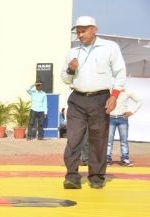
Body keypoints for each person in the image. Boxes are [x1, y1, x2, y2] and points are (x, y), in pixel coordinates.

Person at [60, 16, 126, 189]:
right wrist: (70, 69)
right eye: (78, 31)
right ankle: (72, 177)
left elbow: (120, 73)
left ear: (94, 29)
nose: (80, 34)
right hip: (77, 99)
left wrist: (114, 96)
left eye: (84, 30)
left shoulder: (109, 47)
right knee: (73, 139)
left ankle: (96, 177)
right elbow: (65, 79)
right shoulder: (73, 52)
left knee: (98, 139)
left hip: (100, 99)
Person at [106, 89, 142, 167]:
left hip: (122, 118)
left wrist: (132, 111)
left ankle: (125, 159)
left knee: (124, 140)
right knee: (109, 140)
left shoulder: (127, 91)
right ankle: (107, 159)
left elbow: (140, 101)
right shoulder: (109, 90)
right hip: (110, 118)